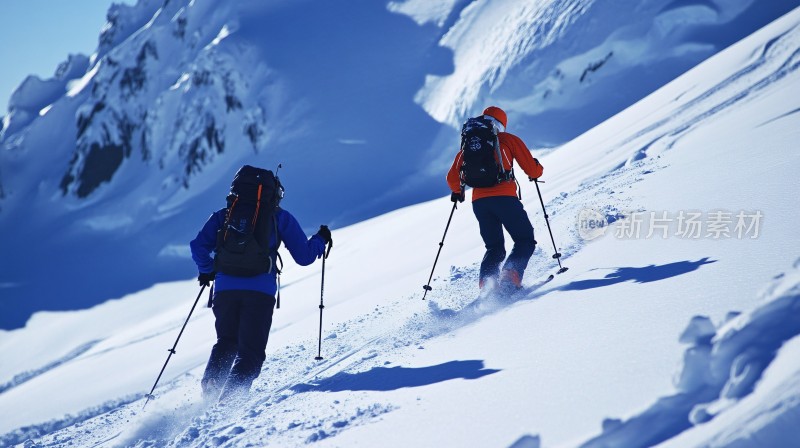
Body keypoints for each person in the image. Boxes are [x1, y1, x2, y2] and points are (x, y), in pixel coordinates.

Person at [190, 170, 332, 402]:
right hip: (260, 293)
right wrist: (320, 239)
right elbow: (304, 257)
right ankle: (230, 402)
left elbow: (198, 247)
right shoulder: (279, 217)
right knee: (251, 354)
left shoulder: (223, 216)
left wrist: (207, 270)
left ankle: (210, 390)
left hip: (225, 291)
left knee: (226, 342)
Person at [447, 106, 544, 294]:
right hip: (505, 198)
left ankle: (487, 285)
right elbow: (532, 170)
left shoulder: (470, 143)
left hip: (480, 203)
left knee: (494, 248)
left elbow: (452, 178)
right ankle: (511, 275)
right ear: (501, 124)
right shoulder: (507, 140)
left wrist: (457, 191)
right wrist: (537, 170)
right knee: (524, 239)